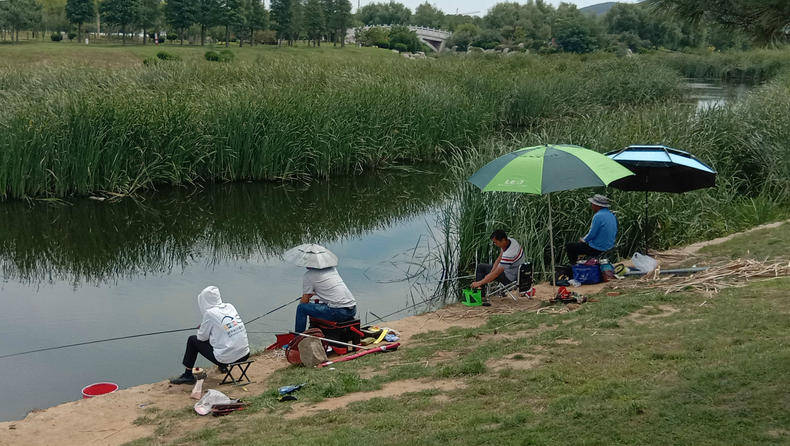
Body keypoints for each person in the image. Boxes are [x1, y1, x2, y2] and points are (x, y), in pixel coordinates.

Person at [170, 286, 250, 385]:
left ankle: (188, 375)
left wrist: (202, 328)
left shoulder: (209, 313)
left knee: (192, 340)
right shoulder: (230, 306)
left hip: (226, 359)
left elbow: (201, 338)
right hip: (245, 354)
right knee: (220, 336)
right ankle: (223, 368)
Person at [295, 266, 357, 333]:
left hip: (338, 312)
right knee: (321, 304)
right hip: (352, 310)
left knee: (301, 308)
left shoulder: (309, 275)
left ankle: (298, 337)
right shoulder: (332, 269)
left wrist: (303, 300)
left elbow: (305, 300)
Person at [471, 229, 525, 302]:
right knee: (486, 270)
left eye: (495, 242)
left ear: (503, 240)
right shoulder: (511, 241)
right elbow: (499, 259)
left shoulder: (509, 254)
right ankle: (480, 292)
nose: (495, 244)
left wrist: (478, 283)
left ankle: (480, 295)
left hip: (510, 278)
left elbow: (496, 274)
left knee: (481, 267)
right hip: (517, 272)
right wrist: (491, 271)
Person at [565, 194, 618, 264]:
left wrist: (583, 240)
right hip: (609, 246)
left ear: (597, 205)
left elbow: (592, 234)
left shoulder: (598, 216)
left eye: (592, 204)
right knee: (580, 246)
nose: (591, 206)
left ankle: (574, 268)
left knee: (570, 246)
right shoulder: (611, 215)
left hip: (598, 248)